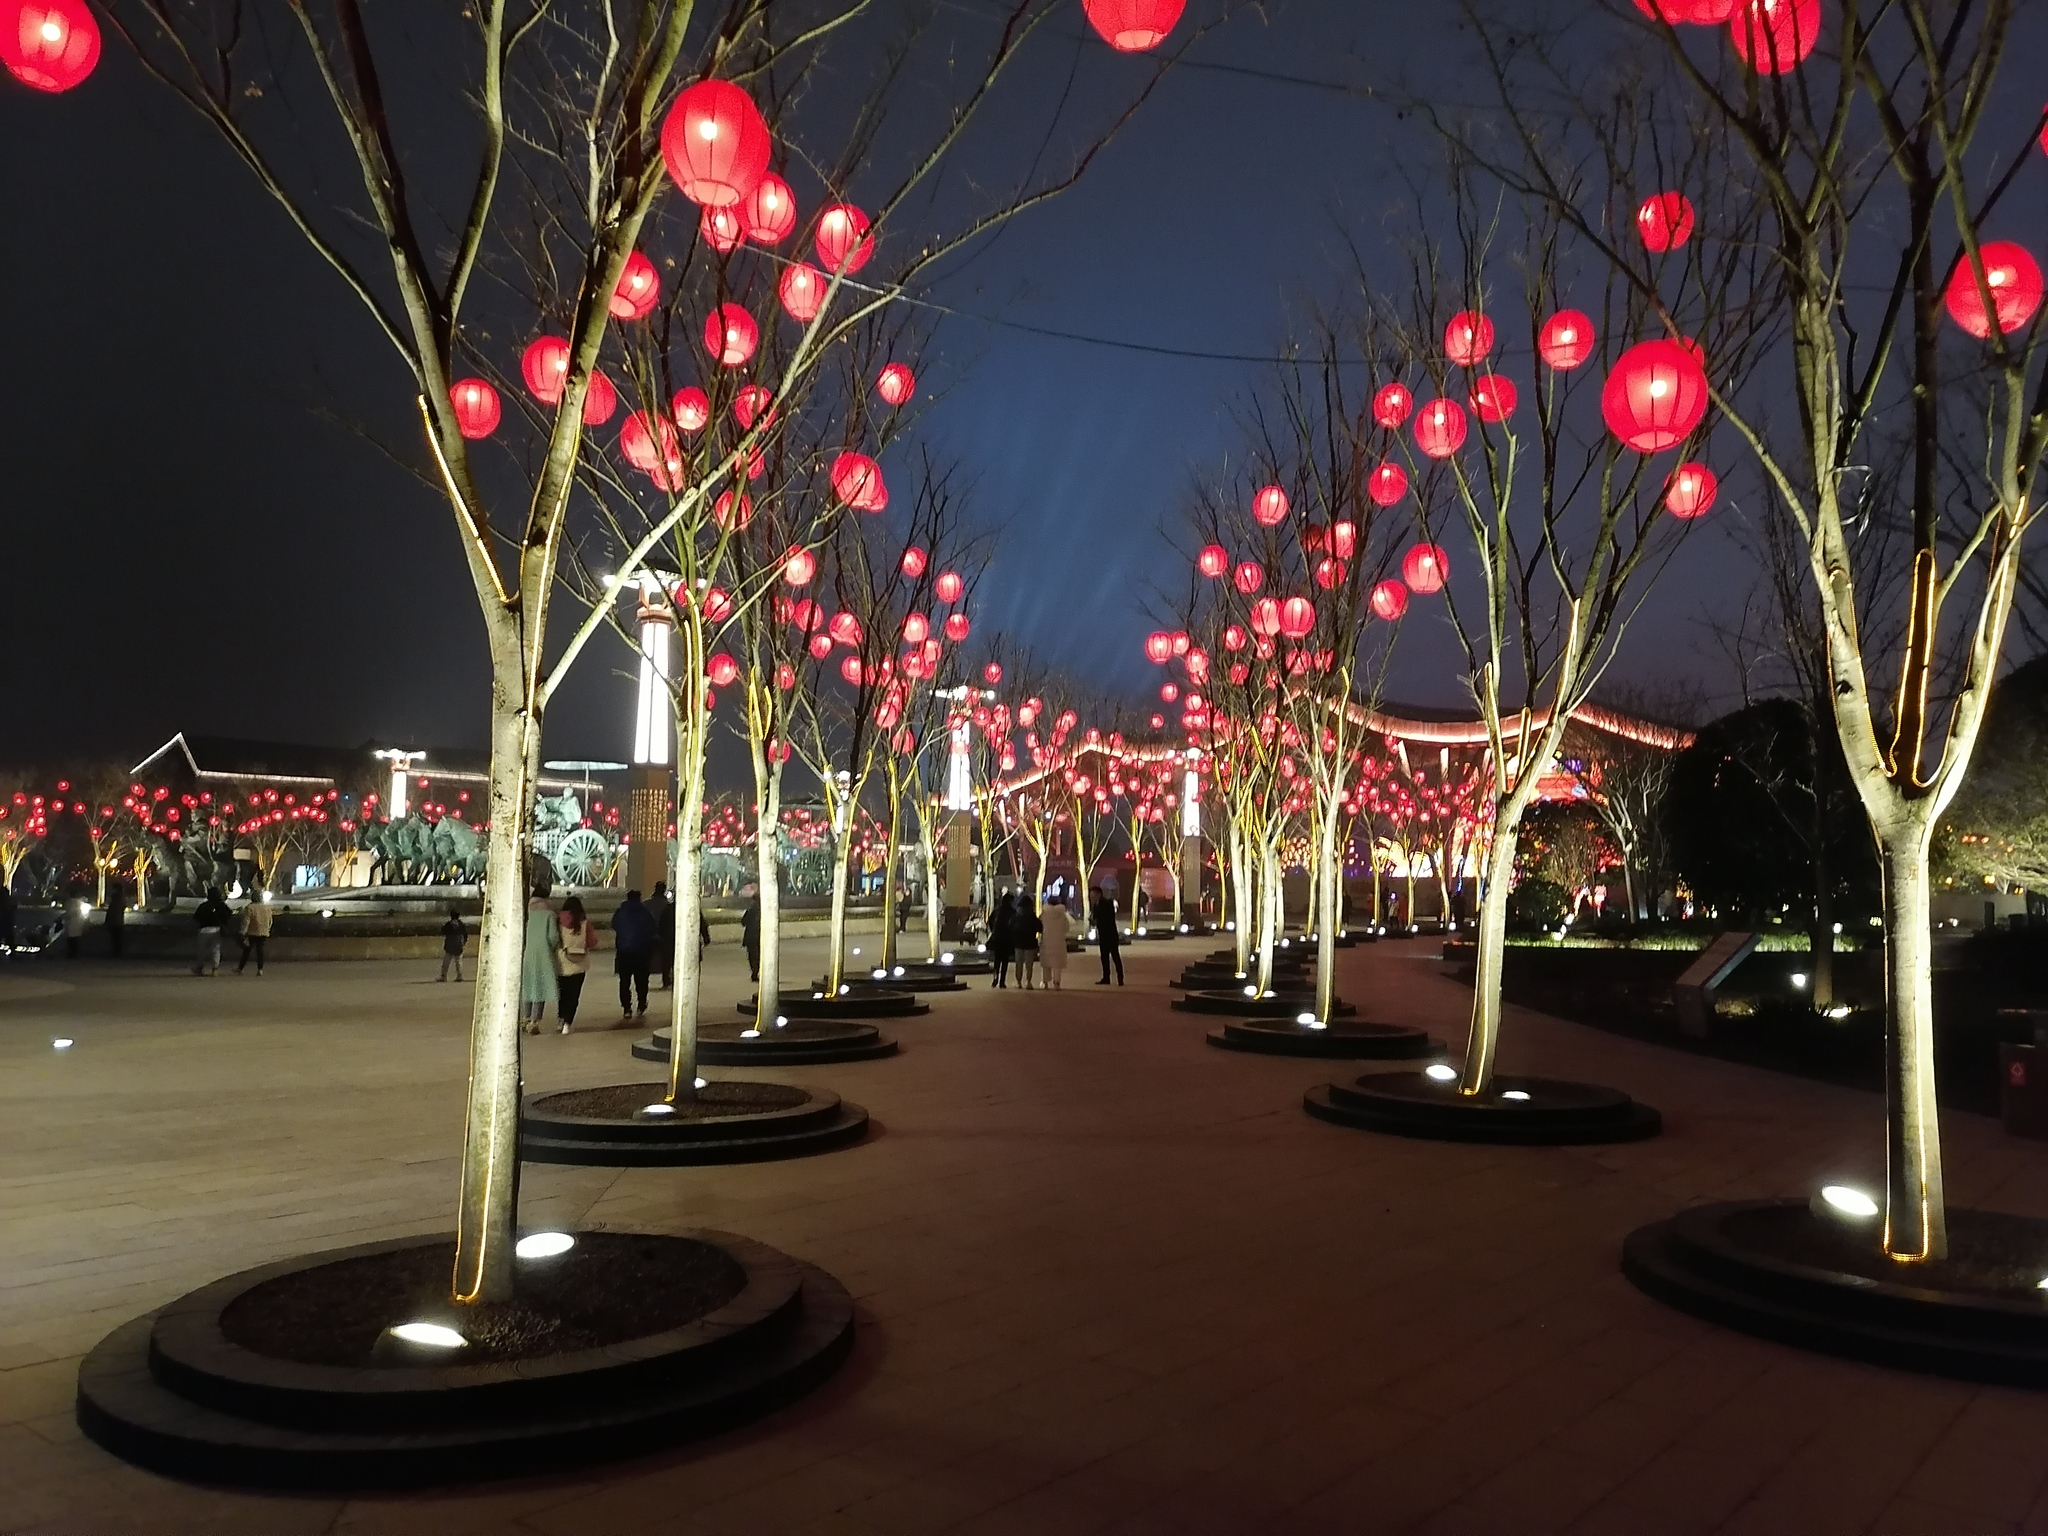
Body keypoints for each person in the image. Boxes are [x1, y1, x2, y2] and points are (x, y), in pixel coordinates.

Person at [519, 886, 560, 1033]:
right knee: (540, 987)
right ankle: (534, 1021)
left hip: (528, 952)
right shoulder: (549, 914)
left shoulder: (527, 912)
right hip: (544, 952)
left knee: (529, 985)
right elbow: (553, 937)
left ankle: (525, 1018)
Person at [611, 888, 655, 1021]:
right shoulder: (645, 912)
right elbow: (652, 928)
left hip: (624, 951)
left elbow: (614, 925)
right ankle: (641, 1005)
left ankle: (626, 1008)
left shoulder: (620, 912)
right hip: (642, 951)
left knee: (624, 981)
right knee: (641, 980)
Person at [556, 895, 595, 1033]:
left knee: (563, 993)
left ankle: (560, 1018)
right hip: (580, 963)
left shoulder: (558, 920)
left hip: (562, 962)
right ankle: (567, 1021)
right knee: (574, 994)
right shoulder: (584, 922)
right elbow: (592, 941)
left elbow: (555, 939)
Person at [192, 886, 232, 976]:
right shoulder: (222, 906)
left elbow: (196, 917)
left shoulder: (203, 906)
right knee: (216, 950)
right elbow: (229, 915)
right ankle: (215, 969)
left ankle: (199, 968)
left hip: (204, 930)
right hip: (217, 929)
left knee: (201, 951)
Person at [236, 891, 274, 975]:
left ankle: (240, 968)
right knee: (260, 951)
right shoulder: (267, 908)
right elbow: (270, 921)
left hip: (252, 932)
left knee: (247, 951)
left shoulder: (250, 908)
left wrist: (243, 932)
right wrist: (267, 929)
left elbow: (246, 921)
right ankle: (260, 969)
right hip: (263, 932)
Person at [1092, 888, 1124, 986]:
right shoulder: (1096, 904)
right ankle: (1106, 977)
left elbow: (1109, 918)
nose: (1091, 896)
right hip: (1102, 935)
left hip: (1110, 934)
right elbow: (1096, 917)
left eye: (1092, 894)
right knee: (1104, 957)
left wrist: (1098, 921)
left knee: (1115, 956)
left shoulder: (1107, 903)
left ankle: (1120, 978)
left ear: (1098, 893)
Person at [1040, 894, 1071, 990]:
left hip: (1046, 940)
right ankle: (1057, 983)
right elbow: (1066, 927)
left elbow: (1040, 925)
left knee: (1046, 963)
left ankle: (1045, 982)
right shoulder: (1062, 914)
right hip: (1059, 941)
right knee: (1057, 964)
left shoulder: (1044, 913)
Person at [649, 880, 675, 991]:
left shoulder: (647, 904)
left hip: (649, 936)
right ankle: (667, 980)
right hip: (665, 936)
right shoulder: (667, 906)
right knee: (667, 960)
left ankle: (643, 981)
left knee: (646, 960)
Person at [1012, 899, 1042, 990]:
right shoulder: (1033, 917)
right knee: (1029, 965)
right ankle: (1028, 981)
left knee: (1019, 964)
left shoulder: (1016, 917)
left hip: (1018, 943)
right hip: (1030, 943)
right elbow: (1040, 928)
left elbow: (1011, 927)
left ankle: (1018, 982)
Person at [988, 891, 1016, 989]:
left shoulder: (997, 910)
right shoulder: (1012, 912)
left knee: (997, 960)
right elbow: (1014, 925)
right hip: (1007, 939)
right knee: (1005, 961)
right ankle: (1002, 981)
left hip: (997, 938)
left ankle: (995, 979)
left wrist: (993, 931)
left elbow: (990, 921)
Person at [438, 905, 468, 981]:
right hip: (458, 945)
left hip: (449, 945)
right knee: (458, 962)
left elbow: (443, 931)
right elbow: (465, 934)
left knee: (446, 962)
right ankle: (459, 976)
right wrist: (464, 942)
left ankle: (444, 976)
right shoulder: (461, 924)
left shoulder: (448, 924)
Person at [741, 888, 761, 982]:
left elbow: (743, 922)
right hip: (759, 936)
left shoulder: (750, 909)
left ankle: (754, 972)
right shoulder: (764, 911)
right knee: (758, 956)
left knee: (752, 955)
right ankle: (756, 972)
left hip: (750, 936)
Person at [105, 880, 128, 958]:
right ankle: (117, 952)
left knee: (116, 938)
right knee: (117, 938)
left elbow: (113, 911)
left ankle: (116, 953)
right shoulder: (120, 899)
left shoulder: (117, 899)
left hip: (115, 921)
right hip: (118, 921)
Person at [62, 894, 88, 960]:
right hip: (78, 923)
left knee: (70, 940)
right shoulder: (80, 903)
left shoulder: (69, 903)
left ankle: (71, 954)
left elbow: (68, 913)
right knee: (76, 940)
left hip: (70, 923)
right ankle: (75, 954)